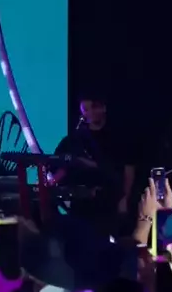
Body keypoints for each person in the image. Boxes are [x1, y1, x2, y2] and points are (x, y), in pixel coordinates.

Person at [53, 96, 136, 236]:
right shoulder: (73, 140)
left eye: (93, 107)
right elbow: (61, 165)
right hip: (81, 205)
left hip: (108, 204)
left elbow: (128, 170)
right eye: (85, 109)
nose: (89, 113)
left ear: (103, 108)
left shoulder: (118, 138)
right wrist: (51, 183)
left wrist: (124, 198)